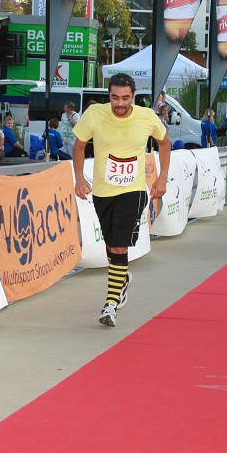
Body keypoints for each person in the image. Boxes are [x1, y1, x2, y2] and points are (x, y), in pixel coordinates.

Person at [73, 73, 171, 327]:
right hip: (103, 192)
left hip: (133, 190)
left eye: (125, 98)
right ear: (109, 96)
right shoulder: (94, 115)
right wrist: (79, 178)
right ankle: (122, 278)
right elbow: (79, 146)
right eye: (115, 98)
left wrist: (161, 179)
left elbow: (165, 143)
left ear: (133, 97)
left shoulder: (147, 117)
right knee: (111, 244)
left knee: (118, 245)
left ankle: (110, 304)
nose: (120, 103)